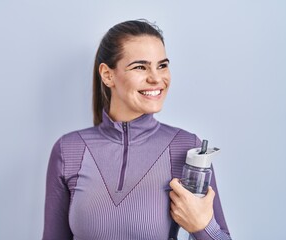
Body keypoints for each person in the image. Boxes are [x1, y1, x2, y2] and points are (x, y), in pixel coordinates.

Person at [42, 19, 231, 240]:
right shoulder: (69, 151)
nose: (156, 78)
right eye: (140, 66)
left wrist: (202, 226)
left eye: (162, 65)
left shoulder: (186, 148)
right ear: (107, 75)